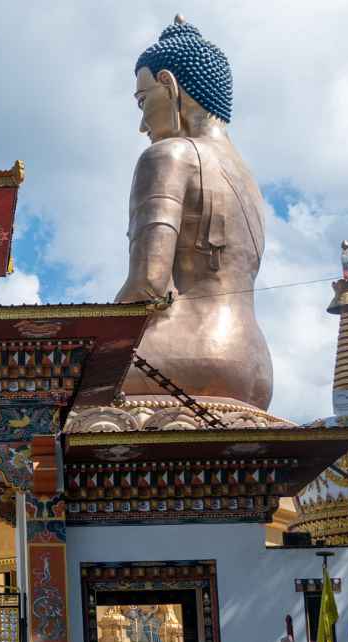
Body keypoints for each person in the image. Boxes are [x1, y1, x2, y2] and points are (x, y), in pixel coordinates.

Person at [115, 16, 273, 411]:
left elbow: (149, 285)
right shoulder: (248, 179)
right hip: (253, 362)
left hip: (175, 355)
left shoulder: (170, 155)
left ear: (168, 85)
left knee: (61, 383)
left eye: (142, 100)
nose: (141, 124)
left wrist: (98, 331)